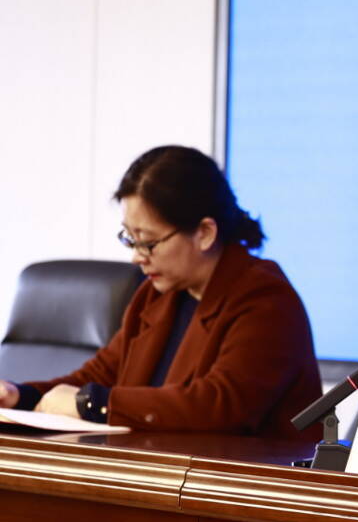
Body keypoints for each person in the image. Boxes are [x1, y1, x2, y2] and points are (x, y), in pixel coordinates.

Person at [0, 145, 321, 439]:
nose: (137, 257)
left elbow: (219, 405)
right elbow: (102, 374)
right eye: (130, 239)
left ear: (205, 233)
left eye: (148, 242)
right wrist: (22, 396)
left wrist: (95, 404)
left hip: (244, 478)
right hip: (158, 468)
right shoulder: (157, 294)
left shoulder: (265, 299)